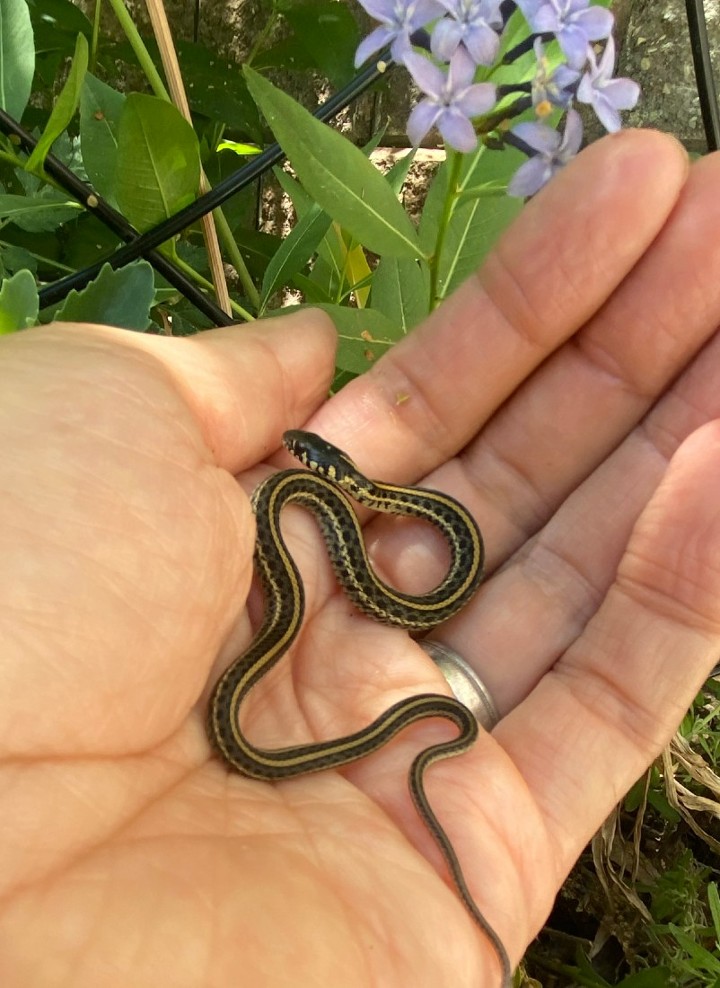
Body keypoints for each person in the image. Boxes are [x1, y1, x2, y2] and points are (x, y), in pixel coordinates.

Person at [1, 128, 719, 988]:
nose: (301, 465)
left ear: (340, 478)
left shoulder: (376, 509)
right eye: (305, 463)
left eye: (313, 462)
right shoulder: (297, 505)